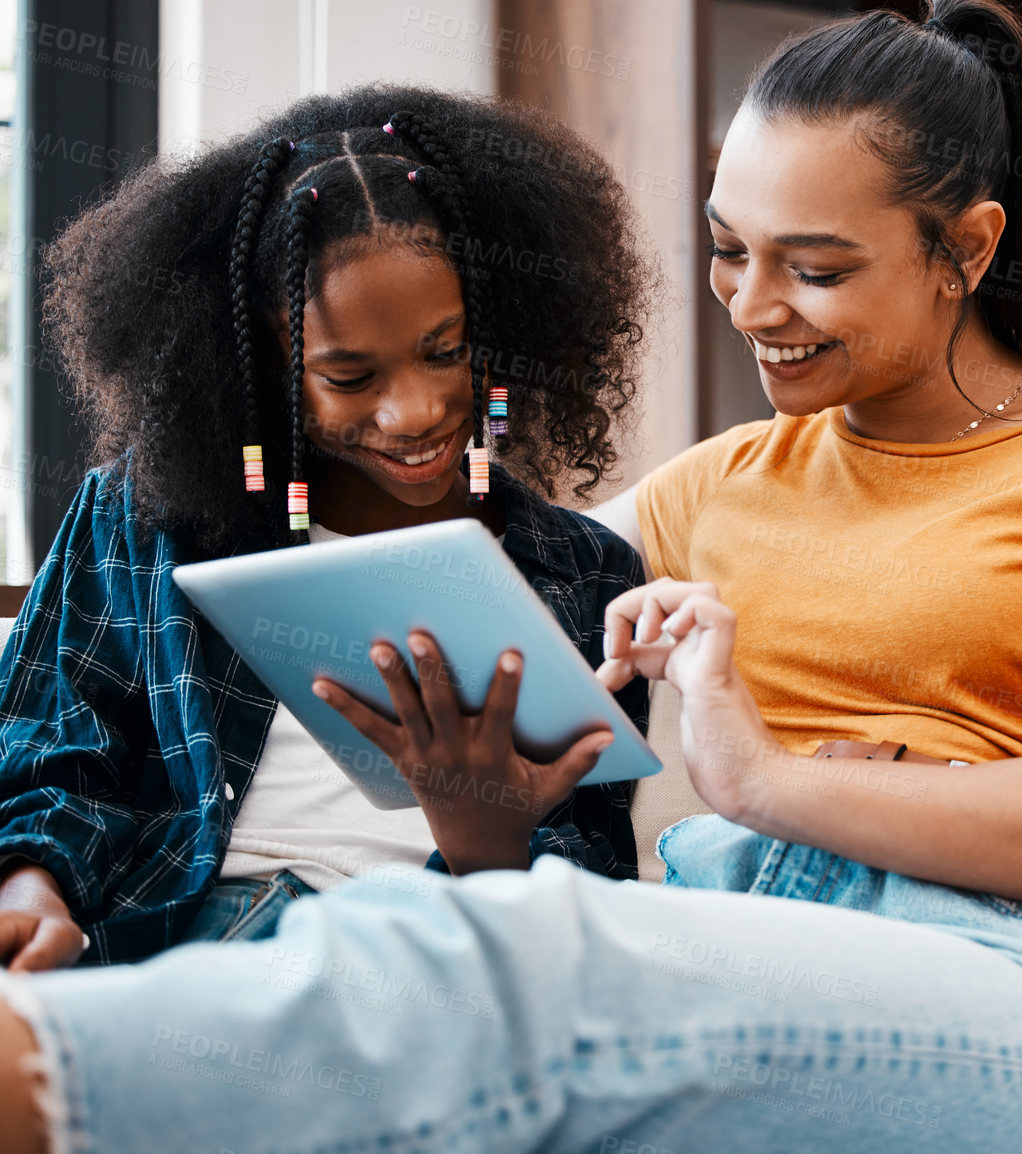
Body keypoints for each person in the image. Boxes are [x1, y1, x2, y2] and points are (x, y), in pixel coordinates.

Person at [0, 4, 1022, 1151]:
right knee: (452, 987)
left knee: (515, 962)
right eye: (730, 249)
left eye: (818, 267)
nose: (751, 303)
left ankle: (45, 1090)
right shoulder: (711, 488)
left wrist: (771, 782)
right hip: (742, 947)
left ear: (964, 248)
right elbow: (463, 583)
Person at [0, 84, 654, 971]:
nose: (415, 411)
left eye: (445, 351)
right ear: (264, 371)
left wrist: (478, 835)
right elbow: (41, 750)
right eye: (350, 378)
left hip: (420, 959)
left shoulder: (584, 574)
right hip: (176, 942)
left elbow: (588, 896)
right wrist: (29, 889)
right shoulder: (142, 516)